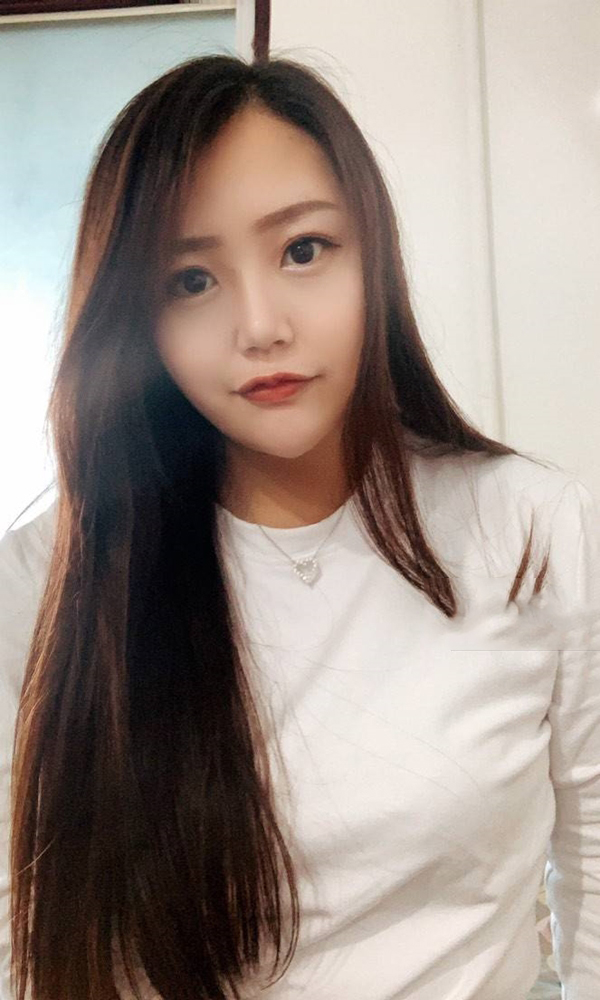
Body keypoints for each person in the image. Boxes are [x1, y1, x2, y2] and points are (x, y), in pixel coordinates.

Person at [0, 54, 598, 1000]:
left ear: (375, 258)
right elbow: (21, 935)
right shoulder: (46, 585)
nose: (261, 326)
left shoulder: (529, 529)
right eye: (190, 280)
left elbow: (593, 855)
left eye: (304, 250)